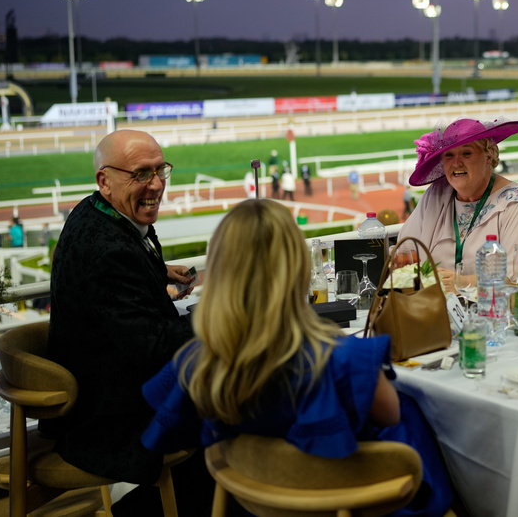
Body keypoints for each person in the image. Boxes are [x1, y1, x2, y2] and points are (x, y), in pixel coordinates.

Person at [141, 199, 453, 517]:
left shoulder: (198, 362)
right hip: (348, 500)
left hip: (254, 504)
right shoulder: (342, 358)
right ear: (298, 268)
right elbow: (390, 415)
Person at [45, 129, 209, 514]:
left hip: (101, 390)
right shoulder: (109, 252)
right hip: (110, 418)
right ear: (105, 180)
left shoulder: (92, 211)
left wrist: (156, 271)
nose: (156, 184)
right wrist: (222, 313)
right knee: (244, 410)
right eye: (140, 174)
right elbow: (154, 349)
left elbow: (115, 272)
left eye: (160, 170)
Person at [399, 117, 518, 290]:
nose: (456, 162)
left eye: (466, 153)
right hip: (434, 307)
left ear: (489, 157)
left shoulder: (516, 205)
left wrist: (462, 282)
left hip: (494, 314)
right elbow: (405, 251)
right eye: (449, 155)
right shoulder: (435, 195)